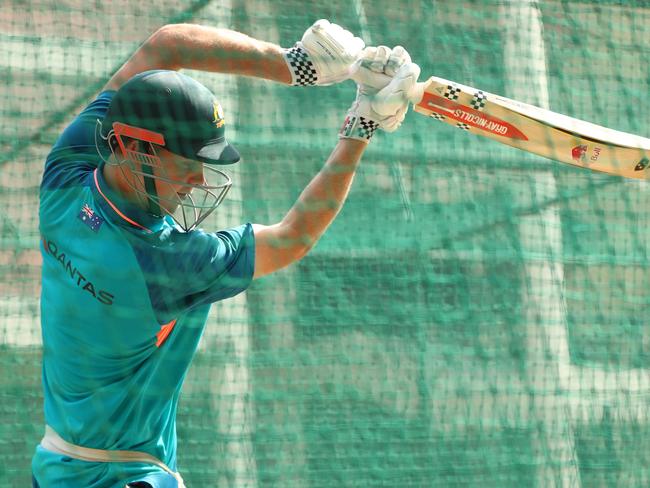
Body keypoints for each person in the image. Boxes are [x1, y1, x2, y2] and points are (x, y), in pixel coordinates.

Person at [32, 19, 419, 487]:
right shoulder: (166, 263)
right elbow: (293, 236)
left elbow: (168, 44)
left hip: (55, 466)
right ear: (134, 148)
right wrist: (360, 126)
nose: (198, 180)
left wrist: (297, 66)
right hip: (127, 477)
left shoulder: (67, 172)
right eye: (187, 163)